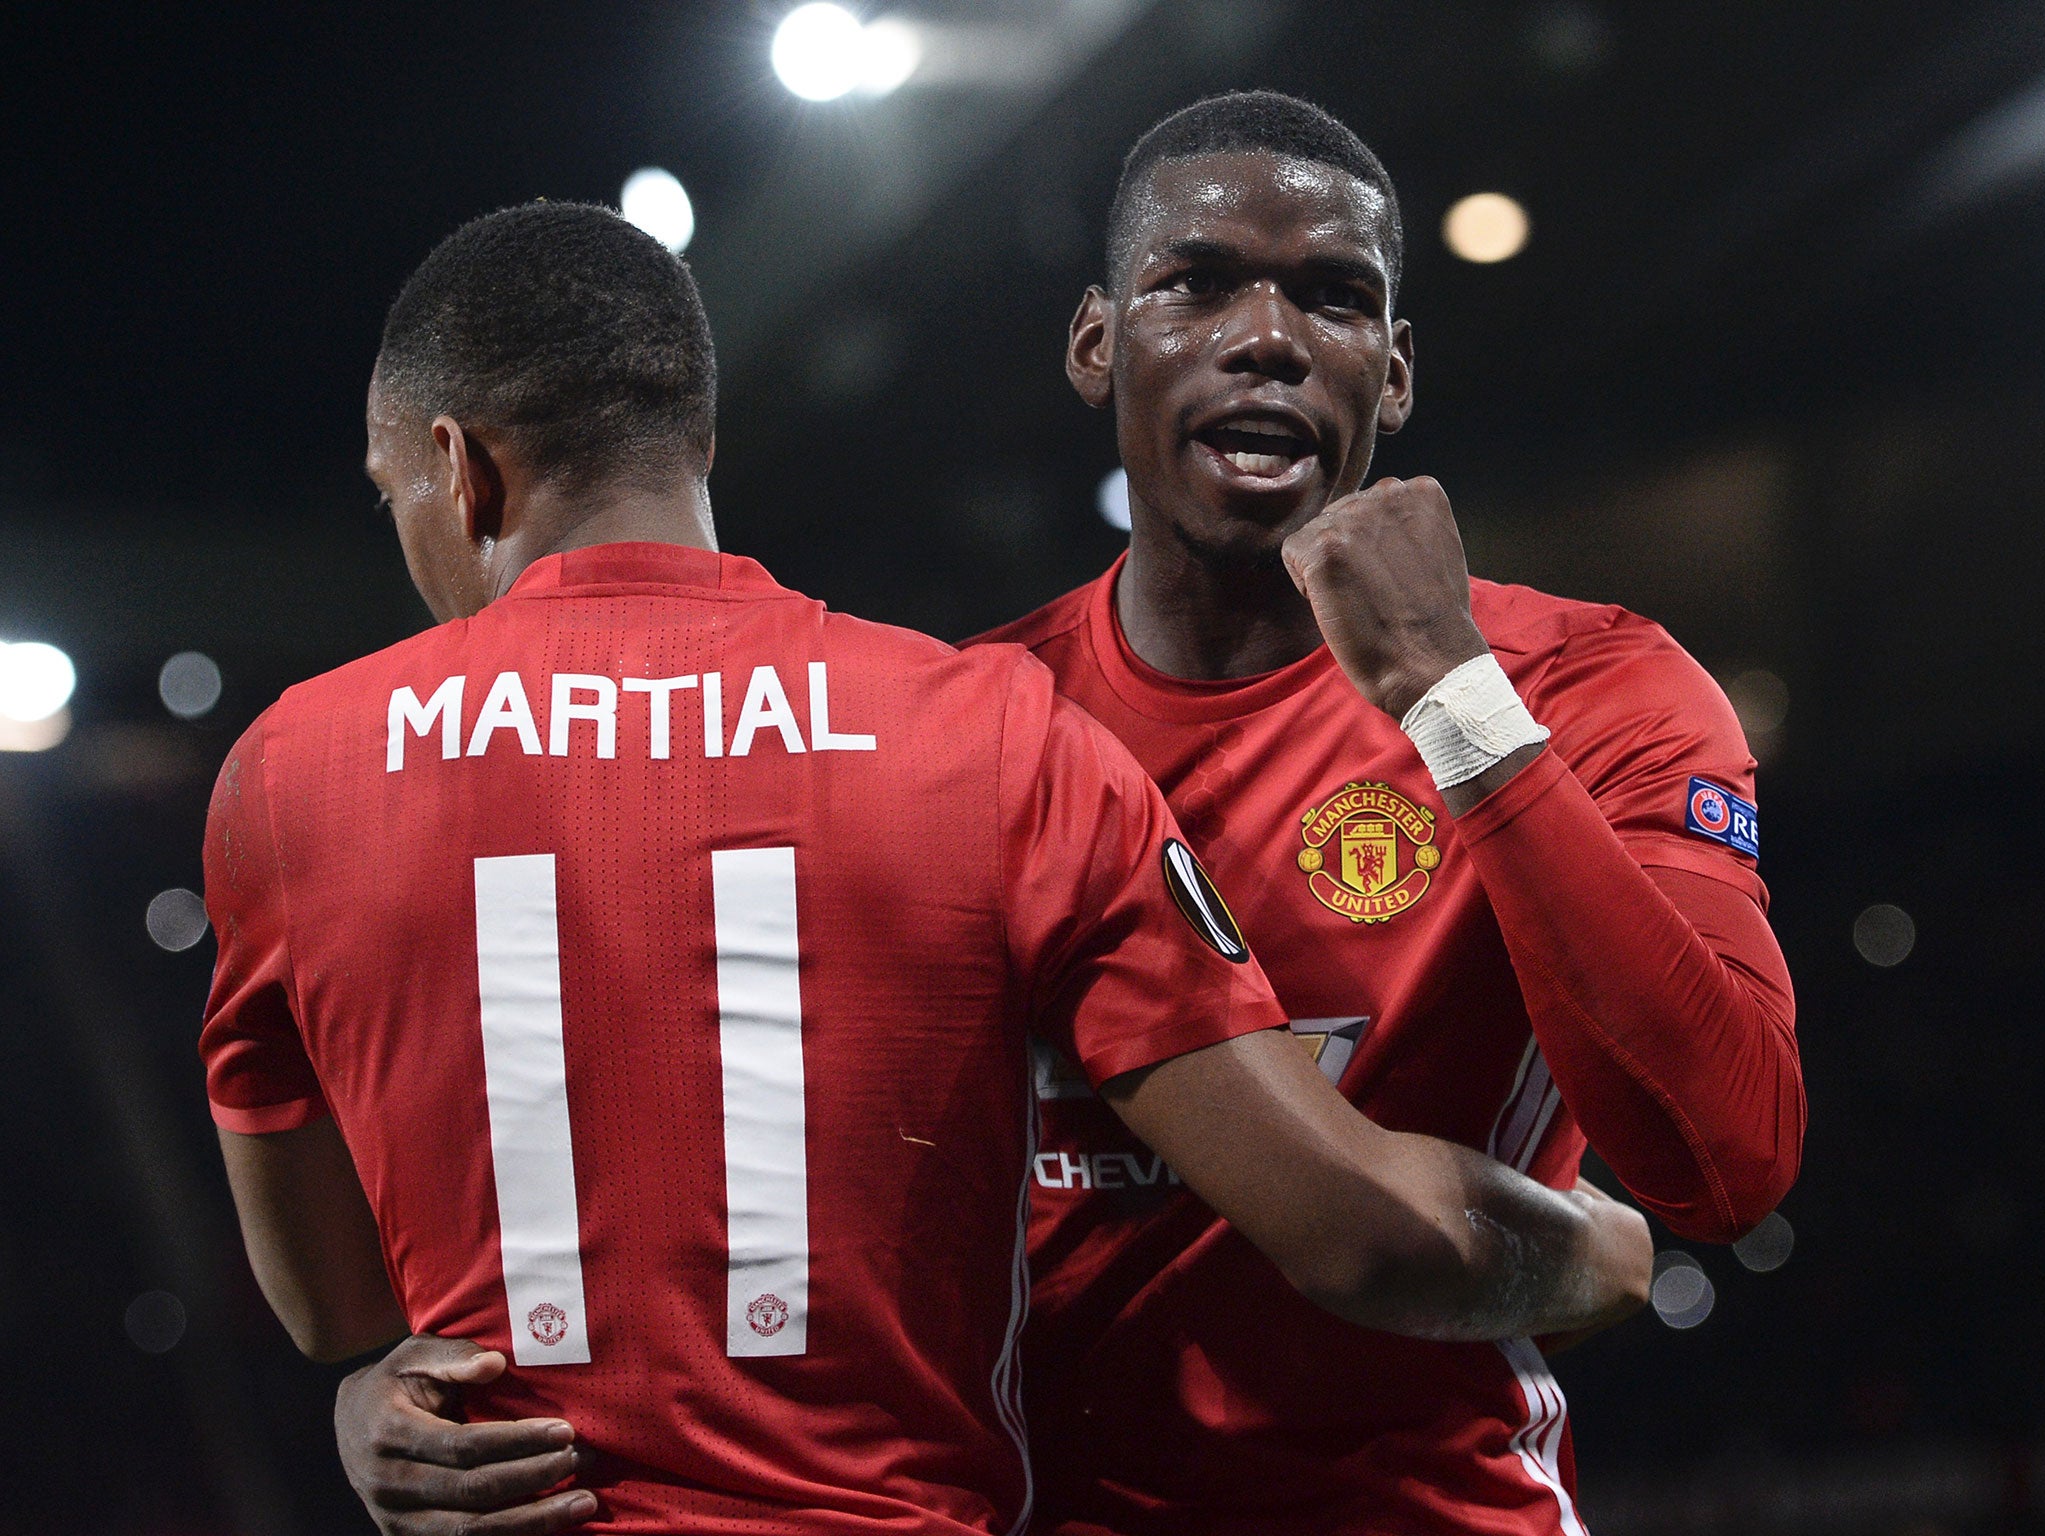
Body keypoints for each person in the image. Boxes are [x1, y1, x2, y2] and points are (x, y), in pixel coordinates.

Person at [336, 91, 1803, 1533]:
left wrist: (1449, 696)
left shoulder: (1589, 688)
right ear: (1098, 346)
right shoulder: (950, 731)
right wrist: (398, 1386)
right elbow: (713, 1194)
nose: (1270, 338)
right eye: (1197, 282)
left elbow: (1724, 1164)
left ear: (1394, 371)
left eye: (1334, 299)